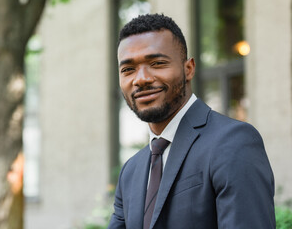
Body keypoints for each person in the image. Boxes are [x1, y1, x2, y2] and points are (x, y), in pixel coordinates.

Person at [108, 14, 275, 229]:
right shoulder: (131, 171)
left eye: (157, 63)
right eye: (128, 70)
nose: (141, 79)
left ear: (189, 69)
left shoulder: (233, 142)